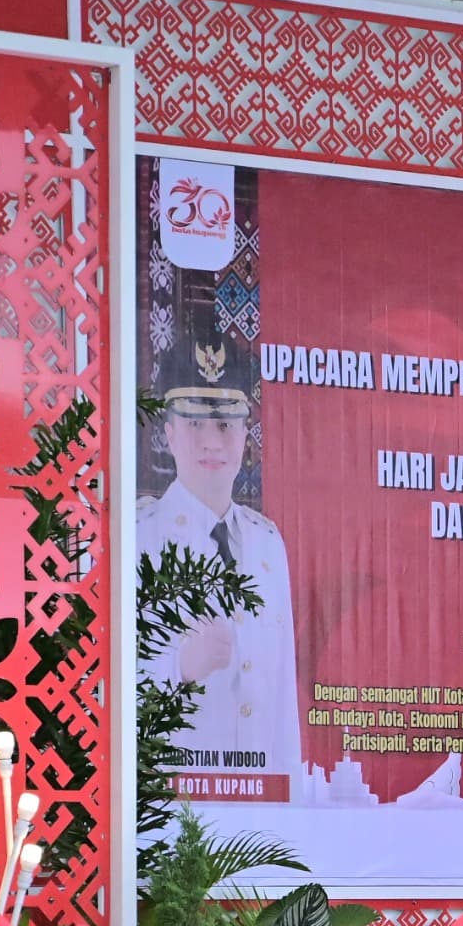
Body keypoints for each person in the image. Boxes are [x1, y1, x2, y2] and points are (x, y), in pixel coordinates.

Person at [137, 331, 304, 785]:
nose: (212, 442)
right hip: (169, 801)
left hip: (259, 803)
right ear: (169, 434)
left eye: (226, 425)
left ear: (246, 435)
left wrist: (291, 803)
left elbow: (283, 702)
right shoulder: (139, 539)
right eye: (195, 424)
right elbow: (98, 688)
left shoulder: (267, 543)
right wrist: (178, 667)